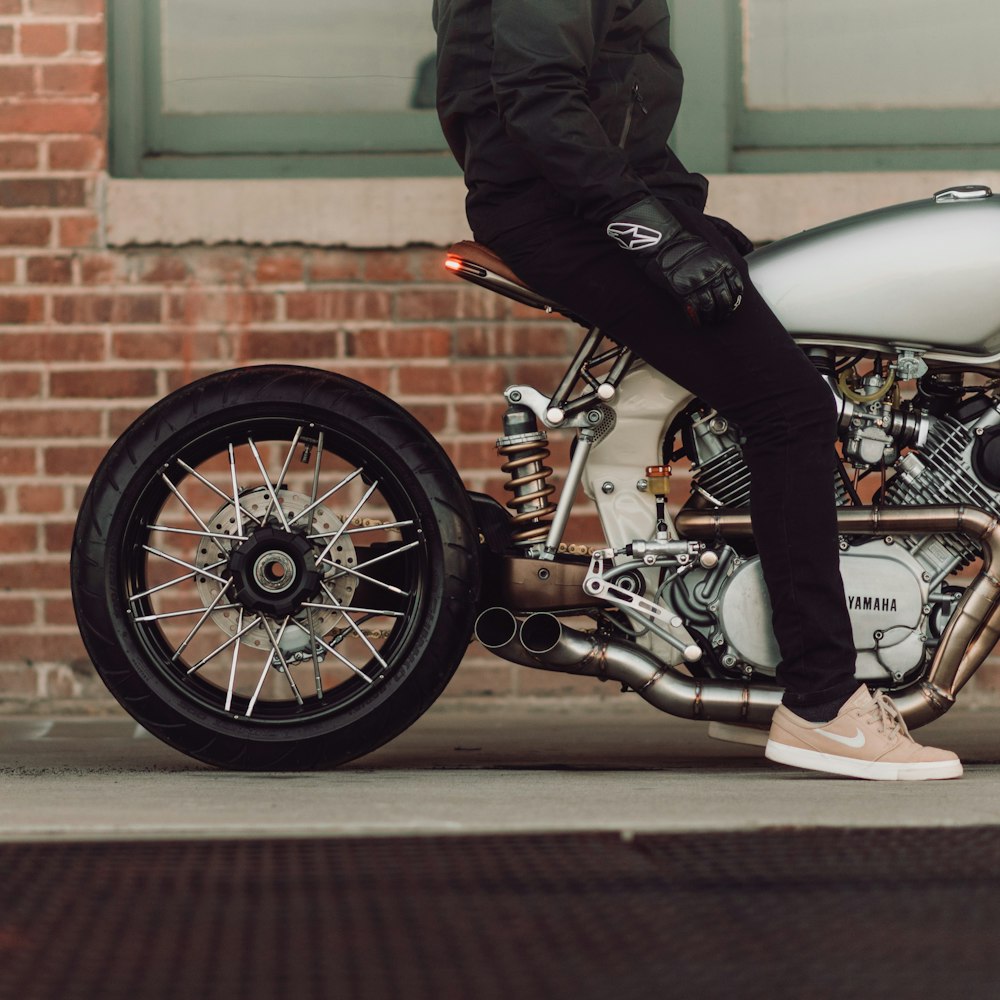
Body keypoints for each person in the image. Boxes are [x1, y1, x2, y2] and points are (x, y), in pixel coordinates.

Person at [431, 0, 962, 780]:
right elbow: (539, 103)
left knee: (799, 360)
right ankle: (822, 705)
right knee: (788, 408)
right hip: (562, 211)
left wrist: (693, 226)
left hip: (597, 200)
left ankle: (749, 651)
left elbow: (621, 112)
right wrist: (652, 232)